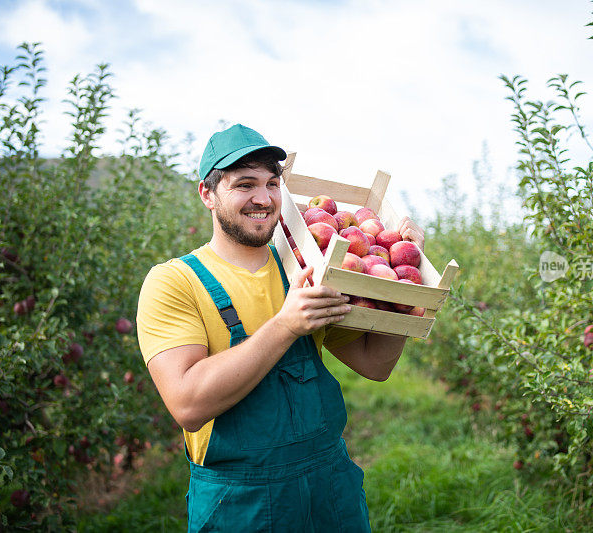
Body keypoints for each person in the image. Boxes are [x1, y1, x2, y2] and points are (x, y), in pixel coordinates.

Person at [136, 124, 424, 532]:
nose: (263, 198)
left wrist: (403, 286)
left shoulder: (304, 267)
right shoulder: (175, 281)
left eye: (273, 183)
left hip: (329, 489)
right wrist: (285, 326)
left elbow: (375, 364)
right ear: (207, 194)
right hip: (241, 503)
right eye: (244, 184)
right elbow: (188, 404)